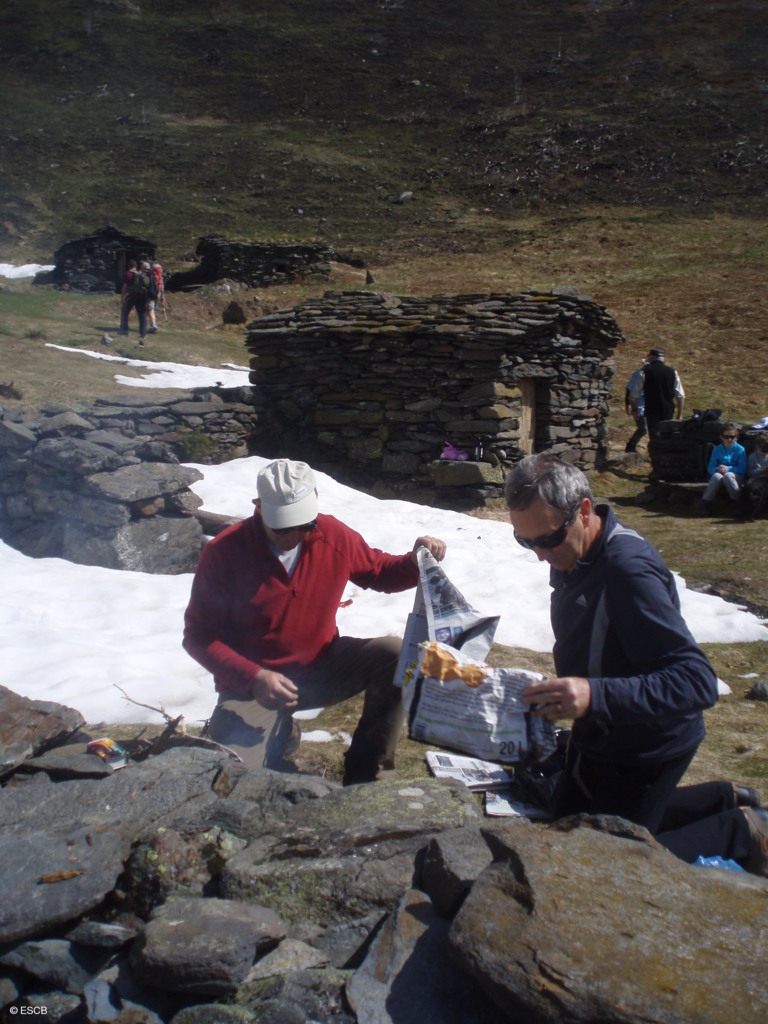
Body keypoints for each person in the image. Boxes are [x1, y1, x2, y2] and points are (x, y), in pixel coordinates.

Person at [504, 453, 768, 877]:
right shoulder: (575, 552)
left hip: (648, 745)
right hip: (600, 730)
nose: (539, 555)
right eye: (525, 541)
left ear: (584, 511)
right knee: (567, 830)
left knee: (612, 867)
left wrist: (594, 695)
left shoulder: (627, 571)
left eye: (548, 539)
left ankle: (741, 829)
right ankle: (721, 798)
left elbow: (697, 681)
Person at [183, 458, 447, 784]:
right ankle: (279, 732)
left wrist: (414, 561)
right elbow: (198, 635)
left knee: (396, 655)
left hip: (321, 667)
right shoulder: (225, 553)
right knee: (235, 781)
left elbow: (378, 570)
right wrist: (253, 678)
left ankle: (369, 776)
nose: (293, 536)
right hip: (251, 688)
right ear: (258, 508)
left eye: (304, 525)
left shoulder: (330, 535)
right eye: (282, 527)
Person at [701, 421, 747, 516]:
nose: (729, 439)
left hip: (735, 476)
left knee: (728, 476)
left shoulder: (740, 450)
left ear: (736, 437)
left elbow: (742, 468)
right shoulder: (717, 449)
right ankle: (706, 503)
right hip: (720, 475)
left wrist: (728, 469)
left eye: (732, 437)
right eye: (726, 437)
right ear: (721, 437)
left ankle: (737, 503)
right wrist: (717, 469)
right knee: (716, 476)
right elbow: (710, 467)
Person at [642, 347, 684, 438]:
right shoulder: (672, 372)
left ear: (652, 357)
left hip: (652, 410)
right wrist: (679, 414)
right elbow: (680, 395)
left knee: (654, 438)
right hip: (667, 411)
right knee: (666, 437)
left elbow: (635, 391)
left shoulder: (646, 372)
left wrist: (633, 406)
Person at [119, 258, 149, 344]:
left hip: (131, 297)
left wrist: (122, 297)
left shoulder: (127, 274)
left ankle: (124, 330)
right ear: (136, 266)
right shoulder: (140, 274)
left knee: (125, 312)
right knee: (142, 315)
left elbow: (125, 286)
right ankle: (143, 333)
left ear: (129, 266)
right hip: (142, 297)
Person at [742, 432, 768, 519]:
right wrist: (761, 469)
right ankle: (749, 512)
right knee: (751, 487)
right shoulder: (752, 457)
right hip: (756, 479)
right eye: (763, 450)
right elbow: (750, 473)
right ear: (757, 447)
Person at [623, 359, 647, 453]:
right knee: (643, 428)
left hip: (646, 404)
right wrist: (628, 404)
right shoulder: (638, 374)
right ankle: (631, 445)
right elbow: (629, 389)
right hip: (638, 404)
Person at [147, 260, 165, 334]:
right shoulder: (160, 277)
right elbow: (162, 287)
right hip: (159, 293)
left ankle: (153, 325)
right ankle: (153, 323)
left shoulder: (152, 275)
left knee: (150, 309)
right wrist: (162, 297)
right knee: (152, 309)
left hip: (152, 293)